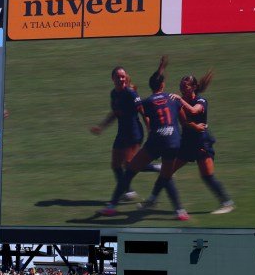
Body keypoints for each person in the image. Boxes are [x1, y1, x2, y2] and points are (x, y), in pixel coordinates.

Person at [102, 57, 192, 220]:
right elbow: (184, 122)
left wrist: (150, 128)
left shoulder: (148, 102)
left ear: (151, 87)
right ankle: (180, 212)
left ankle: (111, 206)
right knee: (166, 175)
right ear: (163, 85)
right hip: (174, 142)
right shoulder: (173, 99)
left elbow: (144, 113)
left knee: (130, 171)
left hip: (157, 141)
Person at [142, 72, 234, 214]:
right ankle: (152, 199)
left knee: (207, 176)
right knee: (167, 171)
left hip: (202, 143)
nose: (182, 88)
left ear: (194, 87)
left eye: (185, 86)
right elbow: (182, 120)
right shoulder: (179, 101)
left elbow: (194, 111)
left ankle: (227, 203)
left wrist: (179, 99)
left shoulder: (200, 101)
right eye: (181, 86)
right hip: (186, 143)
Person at [90, 66, 143, 202]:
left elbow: (143, 111)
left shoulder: (131, 93)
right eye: (118, 77)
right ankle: (128, 191)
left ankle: (157, 167)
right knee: (115, 164)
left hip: (133, 132)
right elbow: (115, 113)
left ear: (126, 77)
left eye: (123, 76)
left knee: (129, 164)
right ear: (112, 79)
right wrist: (101, 127)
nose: (121, 79)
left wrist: (151, 128)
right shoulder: (114, 94)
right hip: (122, 132)